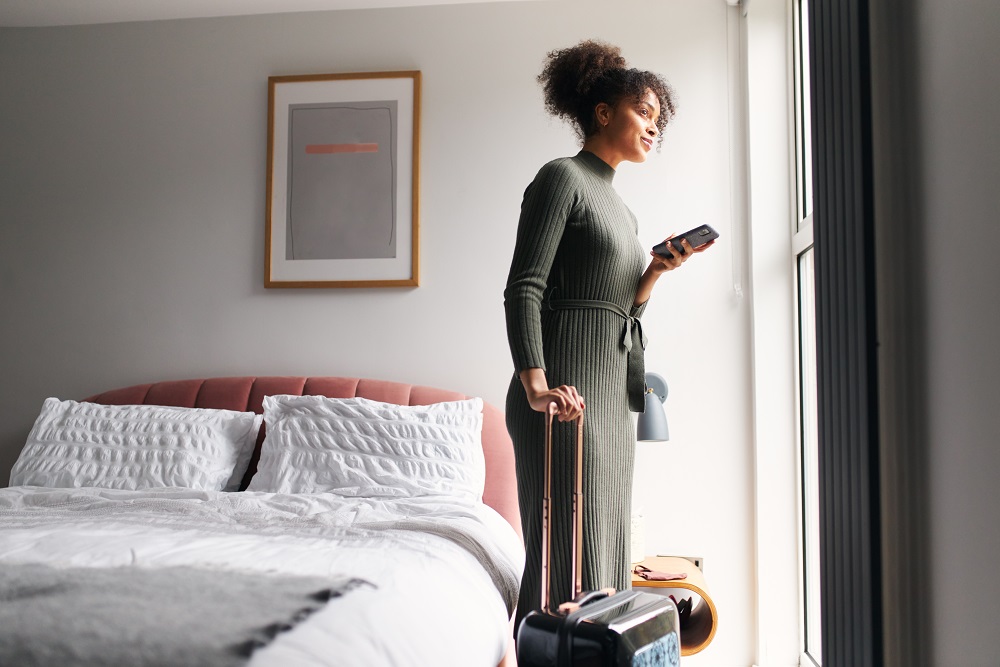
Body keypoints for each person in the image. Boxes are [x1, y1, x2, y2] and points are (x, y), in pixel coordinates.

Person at [503, 39, 714, 633]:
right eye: (643, 113)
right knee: (566, 547)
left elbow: (623, 311)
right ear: (603, 112)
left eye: (658, 121)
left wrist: (654, 271)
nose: (653, 127)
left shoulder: (622, 211)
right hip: (564, 392)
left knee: (608, 541)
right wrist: (536, 388)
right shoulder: (560, 179)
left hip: (611, 396)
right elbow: (524, 287)